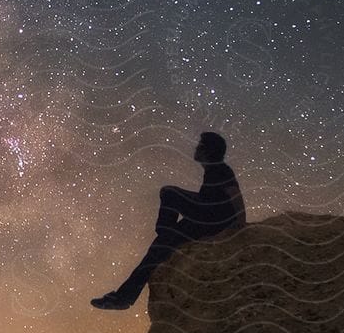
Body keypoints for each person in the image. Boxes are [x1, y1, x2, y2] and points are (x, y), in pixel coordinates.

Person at [92, 132, 244, 309]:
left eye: (200, 145)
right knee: (158, 249)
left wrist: (241, 225)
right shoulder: (213, 170)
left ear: (207, 150)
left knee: (169, 193)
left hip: (213, 219)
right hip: (206, 219)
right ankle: (123, 297)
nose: (196, 148)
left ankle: (165, 233)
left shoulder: (220, 169)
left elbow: (235, 195)